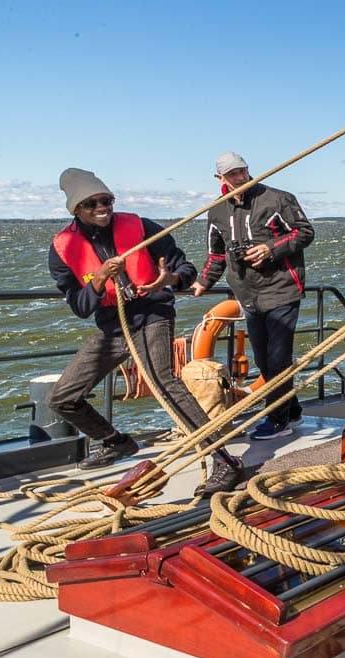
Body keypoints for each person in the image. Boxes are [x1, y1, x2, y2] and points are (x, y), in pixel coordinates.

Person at [48, 168, 243, 495]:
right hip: (113, 326)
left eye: (107, 200)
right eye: (92, 203)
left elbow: (185, 268)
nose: (102, 207)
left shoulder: (141, 226)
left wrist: (171, 281)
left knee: (163, 379)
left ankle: (224, 460)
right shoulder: (61, 248)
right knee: (62, 398)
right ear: (76, 210)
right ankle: (116, 441)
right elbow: (80, 307)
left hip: (153, 312)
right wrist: (98, 280)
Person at [192, 152, 314, 440]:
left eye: (243, 171)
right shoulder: (217, 211)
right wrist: (202, 282)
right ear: (219, 179)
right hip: (247, 293)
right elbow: (216, 253)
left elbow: (305, 233)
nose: (240, 177)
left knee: (278, 358)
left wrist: (270, 249)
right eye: (233, 174)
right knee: (263, 359)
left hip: (282, 288)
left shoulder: (277, 198)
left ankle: (277, 421)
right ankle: (293, 412)